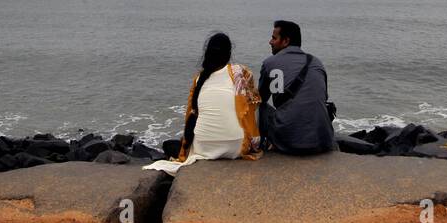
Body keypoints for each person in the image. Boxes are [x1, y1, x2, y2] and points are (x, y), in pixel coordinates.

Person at [144, 32, 261, 174]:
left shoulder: (199, 79)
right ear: (229, 53)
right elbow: (253, 104)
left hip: (203, 147)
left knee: (169, 146)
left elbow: (190, 115)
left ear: (208, 53)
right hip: (237, 147)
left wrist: (185, 147)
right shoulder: (241, 72)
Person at [256, 19, 336, 155]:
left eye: (274, 38)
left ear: (285, 41)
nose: (270, 42)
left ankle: (265, 145)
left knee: (260, 106)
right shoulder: (316, 63)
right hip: (323, 141)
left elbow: (260, 98)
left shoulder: (270, 63)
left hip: (288, 143)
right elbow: (323, 98)